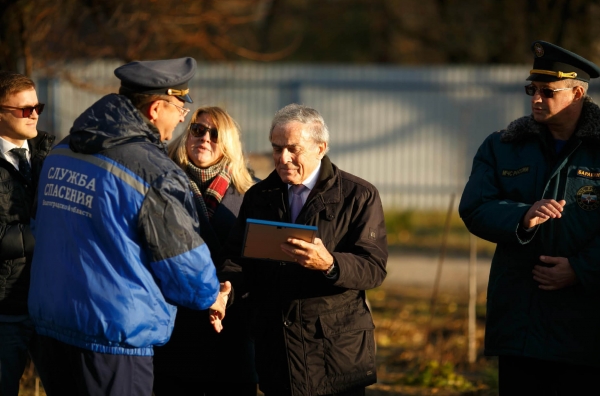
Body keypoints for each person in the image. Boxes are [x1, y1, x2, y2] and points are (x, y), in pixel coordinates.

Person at [27, 58, 230, 396]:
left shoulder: (62, 151)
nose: (182, 117)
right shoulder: (155, 172)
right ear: (154, 110)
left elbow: (41, 226)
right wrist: (212, 294)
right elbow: (187, 271)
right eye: (179, 107)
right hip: (112, 342)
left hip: (51, 331)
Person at [459, 40, 600, 395]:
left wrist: (581, 269)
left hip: (586, 323)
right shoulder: (502, 145)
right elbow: (475, 207)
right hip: (520, 321)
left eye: (548, 92)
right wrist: (522, 216)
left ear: (578, 93)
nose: (536, 98)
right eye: (531, 89)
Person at [220, 103, 388, 396]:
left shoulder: (358, 196)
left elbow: (373, 268)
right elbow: (238, 260)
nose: (282, 158)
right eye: (276, 148)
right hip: (277, 351)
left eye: (293, 149)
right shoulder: (260, 197)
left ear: (320, 148)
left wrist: (331, 264)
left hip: (335, 355)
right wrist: (226, 291)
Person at [153, 106, 258, 396]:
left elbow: (256, 264)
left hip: (229, 329)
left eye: (215, 133)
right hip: (174, 328)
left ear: (229, 144)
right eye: (198, 130)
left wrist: (227, 292)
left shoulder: (251, 193)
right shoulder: (160, 183)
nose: (205, 138)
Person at [0, 71, 54, 396]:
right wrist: (51, 235)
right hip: (6, 308)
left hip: (50, 304)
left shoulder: (51, 154)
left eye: (38, 106)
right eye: (24, 109)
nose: (34, 114)